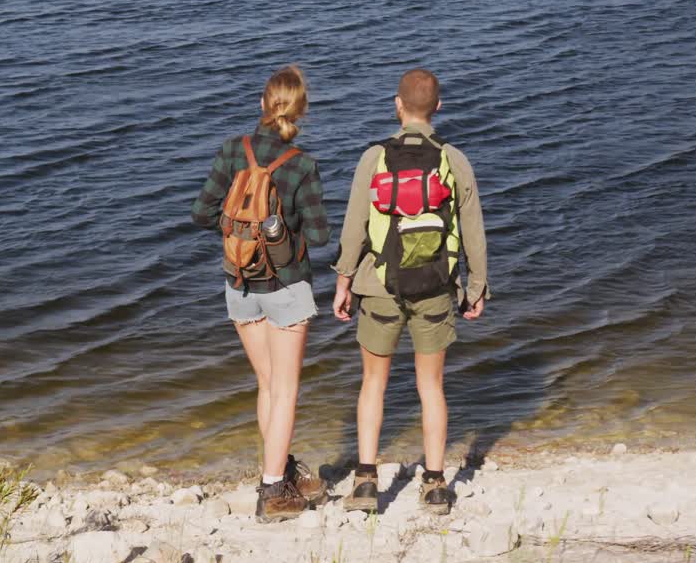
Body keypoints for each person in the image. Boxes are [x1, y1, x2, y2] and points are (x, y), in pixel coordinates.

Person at [332, 68, 489, 514]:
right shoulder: (454, 159)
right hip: (436, 288)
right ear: (438, 107)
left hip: (379, 287)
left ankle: (365, 481)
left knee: (373, 385)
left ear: (397, 105)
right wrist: (476, 287)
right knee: (431, 387)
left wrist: (344, 282)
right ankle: (436, 484)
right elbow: (473, 230)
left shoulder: (373, 158)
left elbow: (354, 229)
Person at [191, 65, 329, 522]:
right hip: (287, 286)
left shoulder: (233, 151)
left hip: (239, 281)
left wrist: (239, 235)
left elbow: (201, 212)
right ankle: (273, 492)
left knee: (267, 384)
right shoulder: (302, 165)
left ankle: (280, 467)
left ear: (262, 104)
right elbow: (321, 235)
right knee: (285, 388)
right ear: (301, 110)